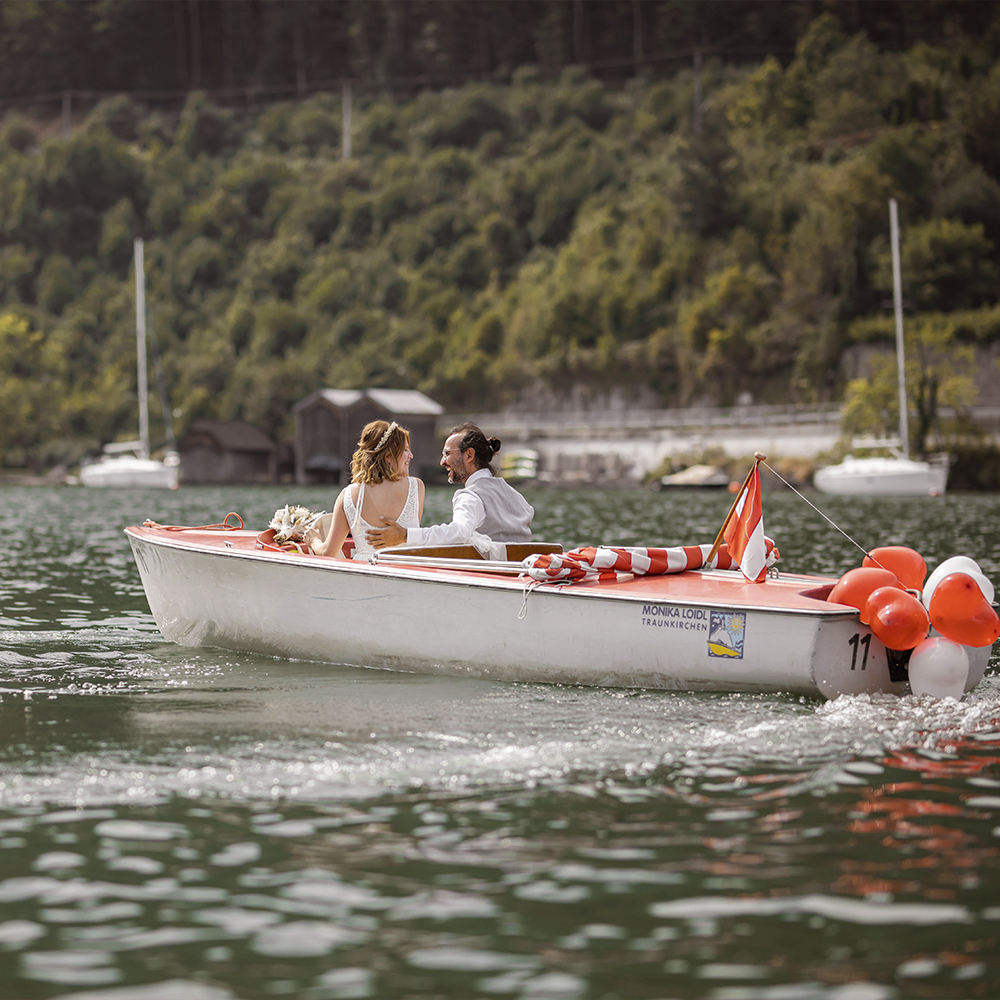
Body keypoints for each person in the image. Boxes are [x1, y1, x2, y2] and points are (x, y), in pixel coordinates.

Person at [366, 422, 533, 551]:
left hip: (496, 581)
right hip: (523, 575)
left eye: (447, 454)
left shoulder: (470, 496)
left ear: (469, 455)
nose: (442, 462)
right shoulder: (516, 495)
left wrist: (405, 535)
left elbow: (458, 532)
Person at [303, 420, 424, 560]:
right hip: (407, 572)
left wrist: (313, 541)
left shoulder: (347, 495)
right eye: (405, 450)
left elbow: (328, 553)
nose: (411, 455)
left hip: (365, 574)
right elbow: (413, 539)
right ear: (388, 456)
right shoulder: (416, 487)